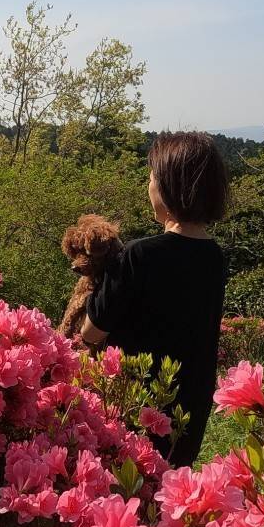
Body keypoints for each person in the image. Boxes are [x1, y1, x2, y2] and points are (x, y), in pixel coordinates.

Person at [82, 131, 229, 467]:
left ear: (169, 186)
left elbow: (91, 332)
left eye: (151, 177)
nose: (148, 186)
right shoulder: (215, 257)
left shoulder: (139, 255)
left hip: (136, 406)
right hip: (190, 407)